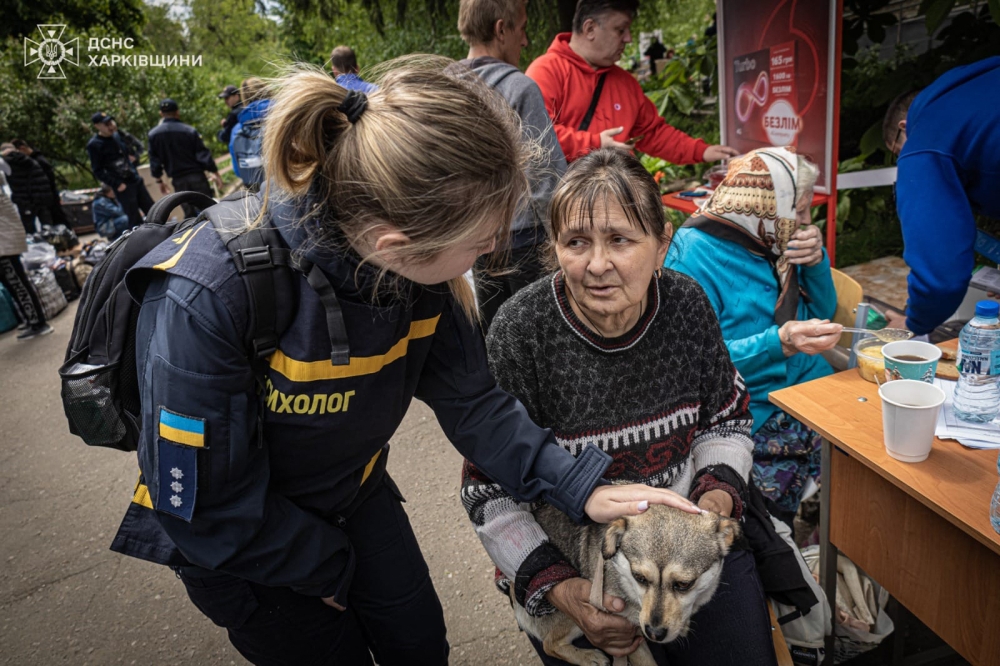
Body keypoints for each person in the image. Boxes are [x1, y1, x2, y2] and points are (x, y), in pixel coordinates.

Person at [111, 62, 698, 666]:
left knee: (420, 645)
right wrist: (327, 565)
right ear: (395, 244)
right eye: (480, 241)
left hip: (353, 496)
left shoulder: (420, 275)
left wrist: (585, 487)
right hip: (241, 542)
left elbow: (475, 403)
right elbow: (204, 506)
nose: (496, 249)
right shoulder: (207, 294)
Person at [463, 148, 776, 665]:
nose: (597, 264)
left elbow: (727, 419)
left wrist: (711, 509)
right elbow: (487, 489)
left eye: (621, 240)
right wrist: (567, 595)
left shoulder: (687, 306)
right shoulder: (523, 330)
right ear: (554, 248)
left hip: (688, 550)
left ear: (661, 246)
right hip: (570, 556)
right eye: (577, 242)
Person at [666, 148, 840, 523]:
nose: (808, 223)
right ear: (765, 204)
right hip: (754, 404)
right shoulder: (691, 256)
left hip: (808, 384)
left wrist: (816, 262)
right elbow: (699, 364)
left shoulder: (771, 236)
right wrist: (780, 342)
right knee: (766, 517)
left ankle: (824, 521)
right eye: (802, 210)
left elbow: (823, 314)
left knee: (867, 459)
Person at [457, 0, 568, 326]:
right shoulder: (519, 88)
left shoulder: (443, 89)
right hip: (527, 245)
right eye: (521, 29)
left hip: (470, 245)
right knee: (544, 338)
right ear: (500, 29)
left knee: (497, 338)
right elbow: (547, 179)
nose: (525, 41)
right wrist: (567, 241)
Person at [525, 0, 737, 164]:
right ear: (589, 29)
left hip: (617, 203)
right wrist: (596, 144)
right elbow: (536, 138)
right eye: (620, 30)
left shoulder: (625, 82)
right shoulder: (546, 71)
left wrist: (701, 151)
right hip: (565, 208)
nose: (628, 39)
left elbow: (653, 133)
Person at [882, 57, 1000, 336]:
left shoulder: (924, 141)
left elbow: (940, 275)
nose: (904, 161)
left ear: (904, 127)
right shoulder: (975, 88)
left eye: (897, 153)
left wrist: (913, 322)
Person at [0, 157, 52, 339]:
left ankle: (38, 322)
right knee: (12, 283)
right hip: (5, 241)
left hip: (5, 243)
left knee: (18, 283)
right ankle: (31, 320)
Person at [148, 99, 223, 217]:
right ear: (177, 112)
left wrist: (159, 181)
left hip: (178, 181)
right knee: (209, 210)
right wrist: (215, 173)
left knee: (189, 215)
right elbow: (203, 155)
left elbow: (154, 161)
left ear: (161, 114)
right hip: (197, 177)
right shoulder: (189, 131)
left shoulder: (154, 135)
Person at [87, 111, 154, 227]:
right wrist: (117, 184)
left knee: (153, 211)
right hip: (123, 185)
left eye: (110, 122)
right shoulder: (95, 145)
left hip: (134, 179)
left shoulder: (118, 136)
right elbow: (97, 170)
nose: (110, 126)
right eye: (106, 124)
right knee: (134, 219)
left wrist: (135, 159)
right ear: (97, 126)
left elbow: (133, 150)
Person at [11, 139, 68, 227]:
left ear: (22, 148)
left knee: (58, 222)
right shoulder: (37, 159)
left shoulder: (37, 162)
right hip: (47, 198)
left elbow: (48, 181)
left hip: (49, 199)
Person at [0, 142, 54, 234]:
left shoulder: (6, 163)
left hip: (24, 200)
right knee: (46, 225)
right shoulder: (31, 160)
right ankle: (52, 243)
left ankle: (35, 245)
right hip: (40, 197)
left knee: (29, 228)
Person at [228, 78, 270, 189]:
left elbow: (238, 170)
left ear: (244, 98)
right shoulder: (284, 116)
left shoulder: (236, 130)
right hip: (287, 187)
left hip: (256, 190)